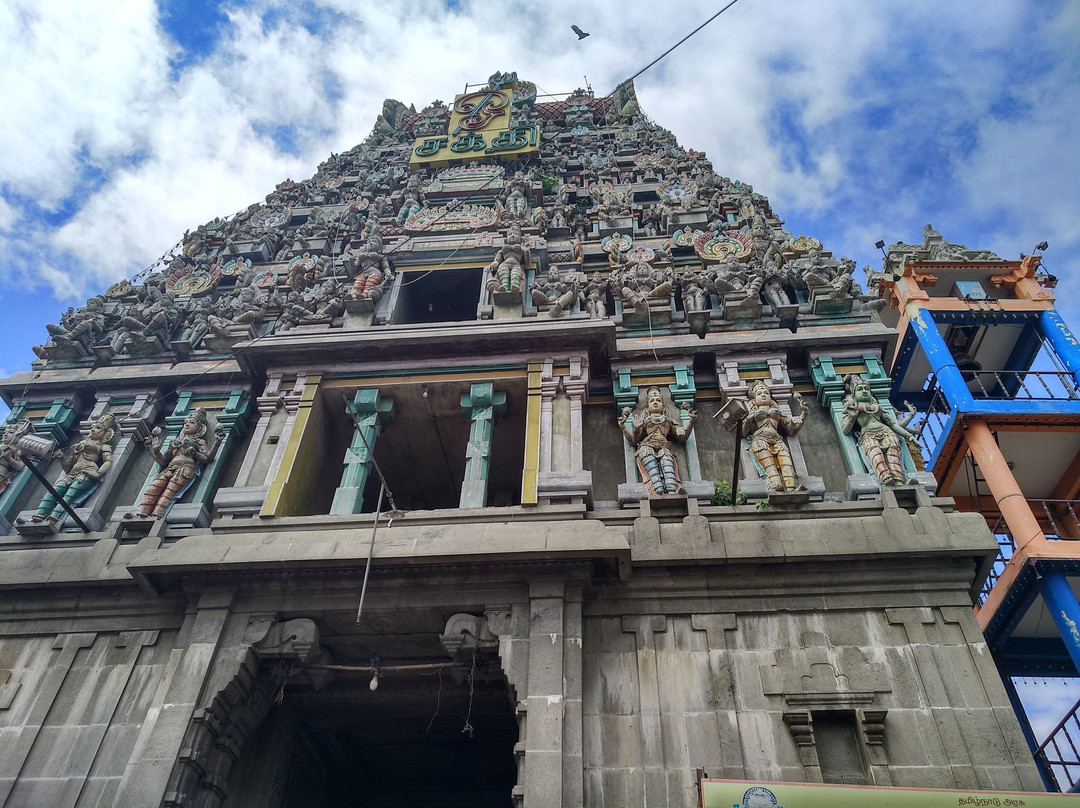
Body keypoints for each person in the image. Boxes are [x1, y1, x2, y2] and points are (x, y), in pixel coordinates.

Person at [130, 409, 224, 518]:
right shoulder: (175, 441)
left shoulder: (199, 441)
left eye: (192, 422)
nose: (187, 424)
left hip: (185, 469)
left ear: (200, 428)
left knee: (169, 492)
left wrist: (200, 451)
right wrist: (153, 450)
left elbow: (207, 458)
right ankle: (142, 513)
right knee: (153, 488)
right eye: (185, 422)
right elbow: (164, 461)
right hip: (170, 468)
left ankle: (156, 515)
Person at [31, 414, 115, 523]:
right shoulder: (80, 444)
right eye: (92, 427)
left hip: (86, 473)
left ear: (106, 433)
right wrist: (61, 458)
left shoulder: (104, 446)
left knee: (70, 495)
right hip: (72, 473)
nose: (93, 429)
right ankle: (40, 514)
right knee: (54, 492)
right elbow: (68, 468)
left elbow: (108, 461)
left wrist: (98, 473)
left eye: (98, 428)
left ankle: (56, 515)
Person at [618, 387, 696, 495]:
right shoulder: (644, 419)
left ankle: (673, 491)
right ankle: (657, 490)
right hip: (647, 446)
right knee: (652, 469)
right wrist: (627, 427)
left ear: (663, 404)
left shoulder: (669, 419)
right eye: (652, 401)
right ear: (647, 406)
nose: (655, 403)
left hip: (664, 446)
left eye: (658, 400)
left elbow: (682, 438)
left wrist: (691, 422)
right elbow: (633, 441)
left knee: (668, 466)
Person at [841, 375, 916, 486]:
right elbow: (845, 431)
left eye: (867, 389)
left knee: (893, 458)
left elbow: (893, 424)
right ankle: (885, 480)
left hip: (887, 433)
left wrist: (909, 436)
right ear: (853, 394)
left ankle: (900, 482)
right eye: (860, 389)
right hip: (868, 436)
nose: (864, 391)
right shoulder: (853, 408)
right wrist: (852, 418)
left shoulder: (878, 407)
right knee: (877, 457)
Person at [743, 380, 807, 493]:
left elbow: (790, 430)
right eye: (759, 393)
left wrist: (803, 414)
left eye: (766, 393)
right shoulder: (752, 411)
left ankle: (792, 490)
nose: (763, 395)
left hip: (777, 440)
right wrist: (748, 419)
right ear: (754, 399)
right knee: (770, 467)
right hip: (760, 441)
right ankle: (776, 489)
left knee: (787, 465)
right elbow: (743, 433)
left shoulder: (777, 410)